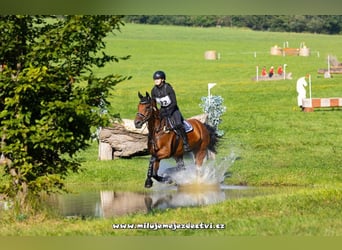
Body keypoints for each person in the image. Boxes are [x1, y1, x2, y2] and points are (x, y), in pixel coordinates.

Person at [151, 70, 191, 152]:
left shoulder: (168, 88)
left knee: (179, 124)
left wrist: (169, 111)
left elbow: (174, 102)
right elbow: (154, 103)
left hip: (173, 109)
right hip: (162, 109)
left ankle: (185, 143)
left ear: (162, 79)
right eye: (155, 79)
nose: (156, 81)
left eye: (158, 79)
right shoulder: (153, 91)